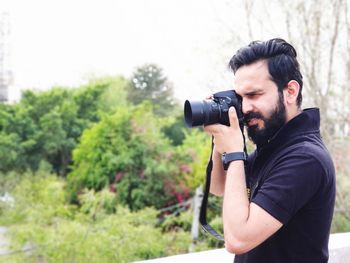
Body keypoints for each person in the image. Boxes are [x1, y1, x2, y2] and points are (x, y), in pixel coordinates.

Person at [203, 38, 336, 263]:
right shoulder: (273, 147)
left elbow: (237, 240)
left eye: (254, 95)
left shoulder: (304, 158)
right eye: (240, 97)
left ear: (290, 92)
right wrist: (220, 139)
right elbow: (220, 187)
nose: (244, 108)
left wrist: (235, 152)